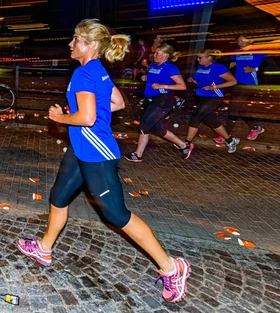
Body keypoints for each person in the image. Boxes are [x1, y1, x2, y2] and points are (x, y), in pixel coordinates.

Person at [16, 20, 191, 304]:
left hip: (96, 152)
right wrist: (87, 112)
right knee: (59, 196)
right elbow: (118, 104)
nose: (70, 44)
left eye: (75, 39)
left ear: (90, 44)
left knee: (116, 215)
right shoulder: (97, 70)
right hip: (80, 148)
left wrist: (61, 117)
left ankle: (172, 268)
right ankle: (44, 248)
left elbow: (86, 118)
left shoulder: (85, 73)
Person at [125, 43, 192, 162]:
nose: (154, 55)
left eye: (158, 53)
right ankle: (184, 145)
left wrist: (162, 85)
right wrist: (145, 78)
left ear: (165, 55)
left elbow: (182, 86)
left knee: (144, 124)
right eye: (155, 52)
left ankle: (138, 154)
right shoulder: (154, 65)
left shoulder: (170, 68)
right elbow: (154, 78)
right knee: (157, 129)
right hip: (152, 99)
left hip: (163, 100)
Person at [185, 50, 239, 152]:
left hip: (214, 97)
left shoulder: (218, 68)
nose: (198, 59)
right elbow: (202, 82)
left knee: (195, 116)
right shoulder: (201, 67)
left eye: (200, 57)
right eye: (197, 57)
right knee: (212, 121)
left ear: (209, 58)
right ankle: (230, 141)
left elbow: (233, 81)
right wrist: (193, 81)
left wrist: (213, 87)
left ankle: (186, 144)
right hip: (201, 97)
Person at [219, 36, 268, 142]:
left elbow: (270, 66)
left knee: (233, 107)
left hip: (250, 84)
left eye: (242, 41)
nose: (239, 42)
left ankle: (226, 135)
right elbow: (230, 63)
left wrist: (255, 68)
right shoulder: (237, 52)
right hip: (237, 82)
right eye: (238, 40)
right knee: (241, 109)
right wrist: (229, 66)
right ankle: (256, 128)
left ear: (250, 41)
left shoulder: (258, 51)